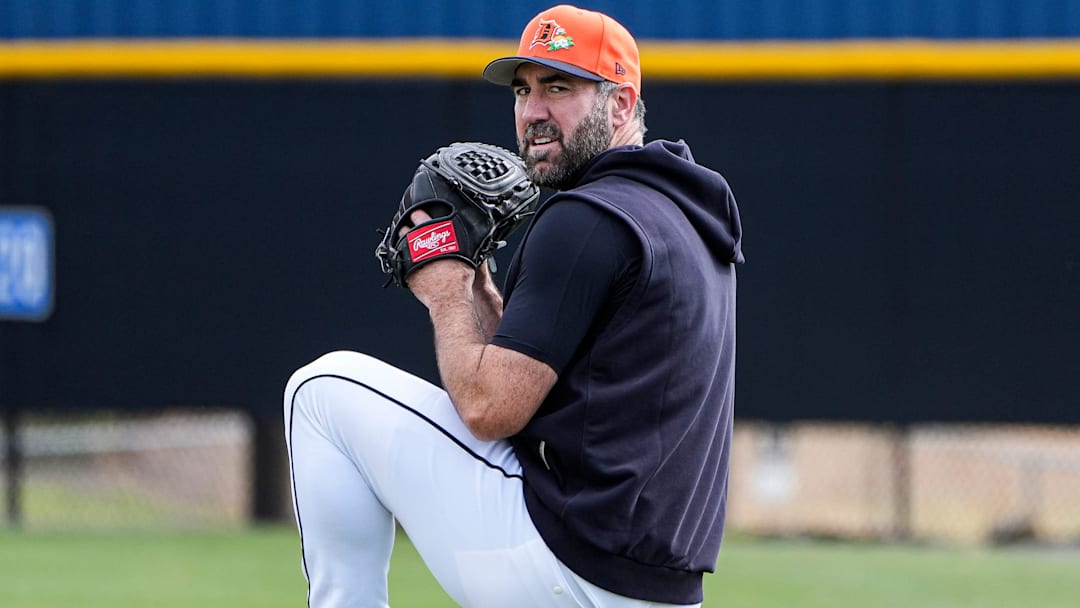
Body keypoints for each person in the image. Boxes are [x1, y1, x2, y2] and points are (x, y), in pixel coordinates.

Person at [283, 5, 744, 607]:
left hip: (567, 566)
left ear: (622, 104)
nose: (533, 112)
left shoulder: (585, 219)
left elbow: (488, 408)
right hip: (657, 591)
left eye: (560, 87)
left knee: (319, 390)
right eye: (523, 90)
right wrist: (478, 285)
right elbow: (540, 381)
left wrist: (445, 286)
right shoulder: (684, 216)